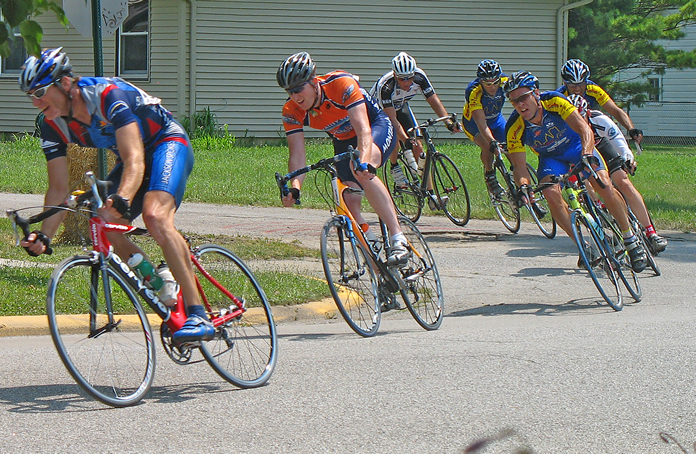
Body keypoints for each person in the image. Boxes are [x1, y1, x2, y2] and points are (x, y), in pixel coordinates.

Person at [18, 47, 212, 343]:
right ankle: (161, 283)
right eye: (30, 95)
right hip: (131, 158)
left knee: (155, 216)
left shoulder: (106, 96)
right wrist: (45, 236)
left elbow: (135, 158)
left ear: (65, 83)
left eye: (41, 91)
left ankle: (199, 315)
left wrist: (122, 195)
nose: (35, 101)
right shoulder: (51, 124)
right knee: (104, 220)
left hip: (166, 142)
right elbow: (58, 189)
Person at [276, 51, 410, 277]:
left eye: (299, 89)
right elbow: (297, 155)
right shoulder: (291, 110)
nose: (295, 97)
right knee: (347, 201)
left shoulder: (340, 84)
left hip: (375, 127)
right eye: (289, 92)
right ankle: (382, 272)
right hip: (342, 141)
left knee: (362, 172)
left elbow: (363, 131)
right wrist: (295, 188)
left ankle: (398, 238)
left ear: (313, 81)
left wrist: (365, 162)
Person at [503, 70, 647, 272]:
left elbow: (584, 129)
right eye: (514, 101)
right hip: (551, 158)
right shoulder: (514, 127)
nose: (519, 104)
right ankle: (583, 245)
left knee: (603, 184)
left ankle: (630, 238)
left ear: (535, 93)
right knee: (550, 193)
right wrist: (524, 187)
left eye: (523, 97)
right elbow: (519, 168)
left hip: (578, 146)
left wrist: (588, 154)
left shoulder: (554, 101)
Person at [567, 94, 667, 253]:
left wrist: (628, 159)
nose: (578, 124)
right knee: (584, 184)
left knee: (623, 181)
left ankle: (651, 233)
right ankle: (601, 210)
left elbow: (620, 144)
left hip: (604, 149)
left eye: (582, 118)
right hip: (584, 155)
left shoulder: (600, 120)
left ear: (588, 114)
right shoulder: (565, 131)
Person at [370, 51, 461, 204]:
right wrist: (405, 139)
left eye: (409, 78)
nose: (407, 82)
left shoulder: (419, 77)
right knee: (394, 137)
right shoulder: (386, 86)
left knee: (418, 146)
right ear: (394, 75)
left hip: (401, 106)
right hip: (379, 112)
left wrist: (448, 123)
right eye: (402, 79)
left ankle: (432, 196)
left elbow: (434, 100)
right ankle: (394, 167)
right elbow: (392, 120)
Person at [558, 59, 644, 147]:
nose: (577, 88)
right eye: (573, 85)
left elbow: (615, 111)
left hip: (591, 128)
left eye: (581, 84)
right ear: (565, 83)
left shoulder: (593, 89)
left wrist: (631, 129)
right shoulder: (560, 96)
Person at [461, 59, 509, 198]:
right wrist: (492, 142)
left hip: (496, 119)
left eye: (495, 82)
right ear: (481, 81)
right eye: (487, 84)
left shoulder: (505, 81)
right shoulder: (474, 91)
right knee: (488, 145)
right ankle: (490, 175)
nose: (493, 87)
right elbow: (481, 124)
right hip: (474, 123)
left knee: (512, 147)